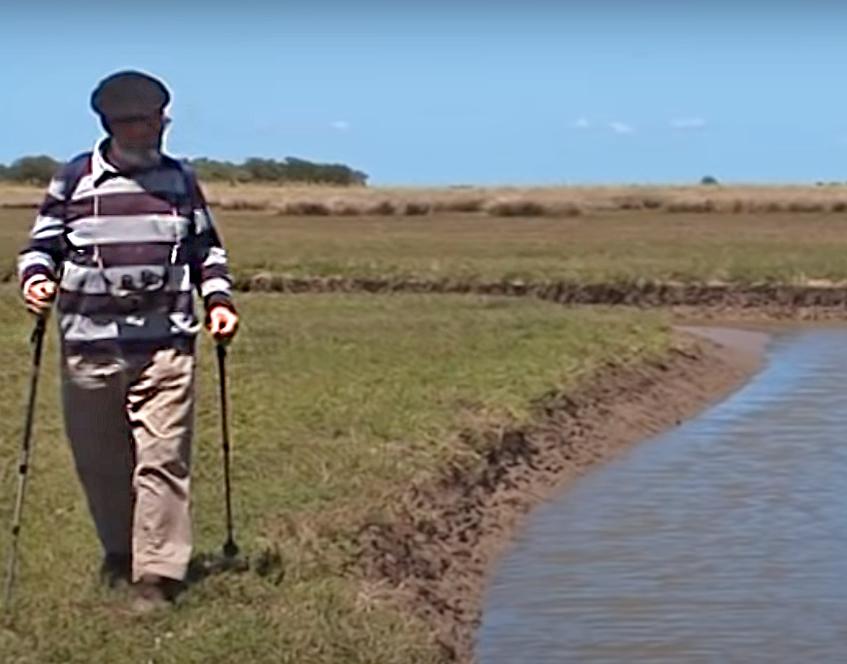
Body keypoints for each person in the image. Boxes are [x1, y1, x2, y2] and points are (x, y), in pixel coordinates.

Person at [17, 70, 239, 612]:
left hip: (167, 345)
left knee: (162, 457)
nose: (154, 128)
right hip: (89, 346)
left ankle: (156, 576)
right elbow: (40, 245)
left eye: (158, 117)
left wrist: (220, 302)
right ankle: (120, 553)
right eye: (141, 121)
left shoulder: (181, 181)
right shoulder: (73, 180)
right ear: (113, 125)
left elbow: (206, 249)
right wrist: (36, 279)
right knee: (103, 462)